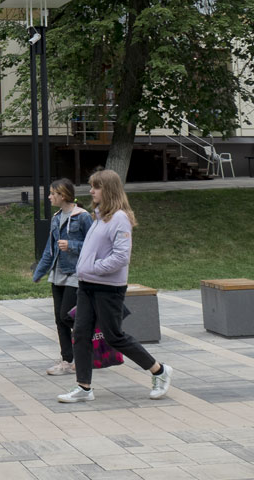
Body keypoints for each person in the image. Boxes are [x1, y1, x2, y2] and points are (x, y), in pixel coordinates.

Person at [58, 169, 173, 403]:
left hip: (108, 288)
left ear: (109, 190)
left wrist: (93, 268)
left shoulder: (119, 218)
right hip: (87, 285)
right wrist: (86, 270)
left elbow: (121, 257)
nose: (91, 191)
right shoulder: (100, 217)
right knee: (81, 334)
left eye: (96, 187)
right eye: (92, 186)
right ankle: (84, 387)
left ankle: (159, 370)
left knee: (114, 336)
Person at [31, 178, 92, 376]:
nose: (49, 197)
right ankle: (67, 360)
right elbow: (50, 249)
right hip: (57, 274)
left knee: (67, 315)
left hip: (75, 273)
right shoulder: (56, 218)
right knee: (59, 319)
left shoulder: (82, 217)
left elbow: (93, 245)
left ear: (63, 195)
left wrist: (72, 245)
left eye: (52, 193)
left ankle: (89, 343)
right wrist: (39, 272)